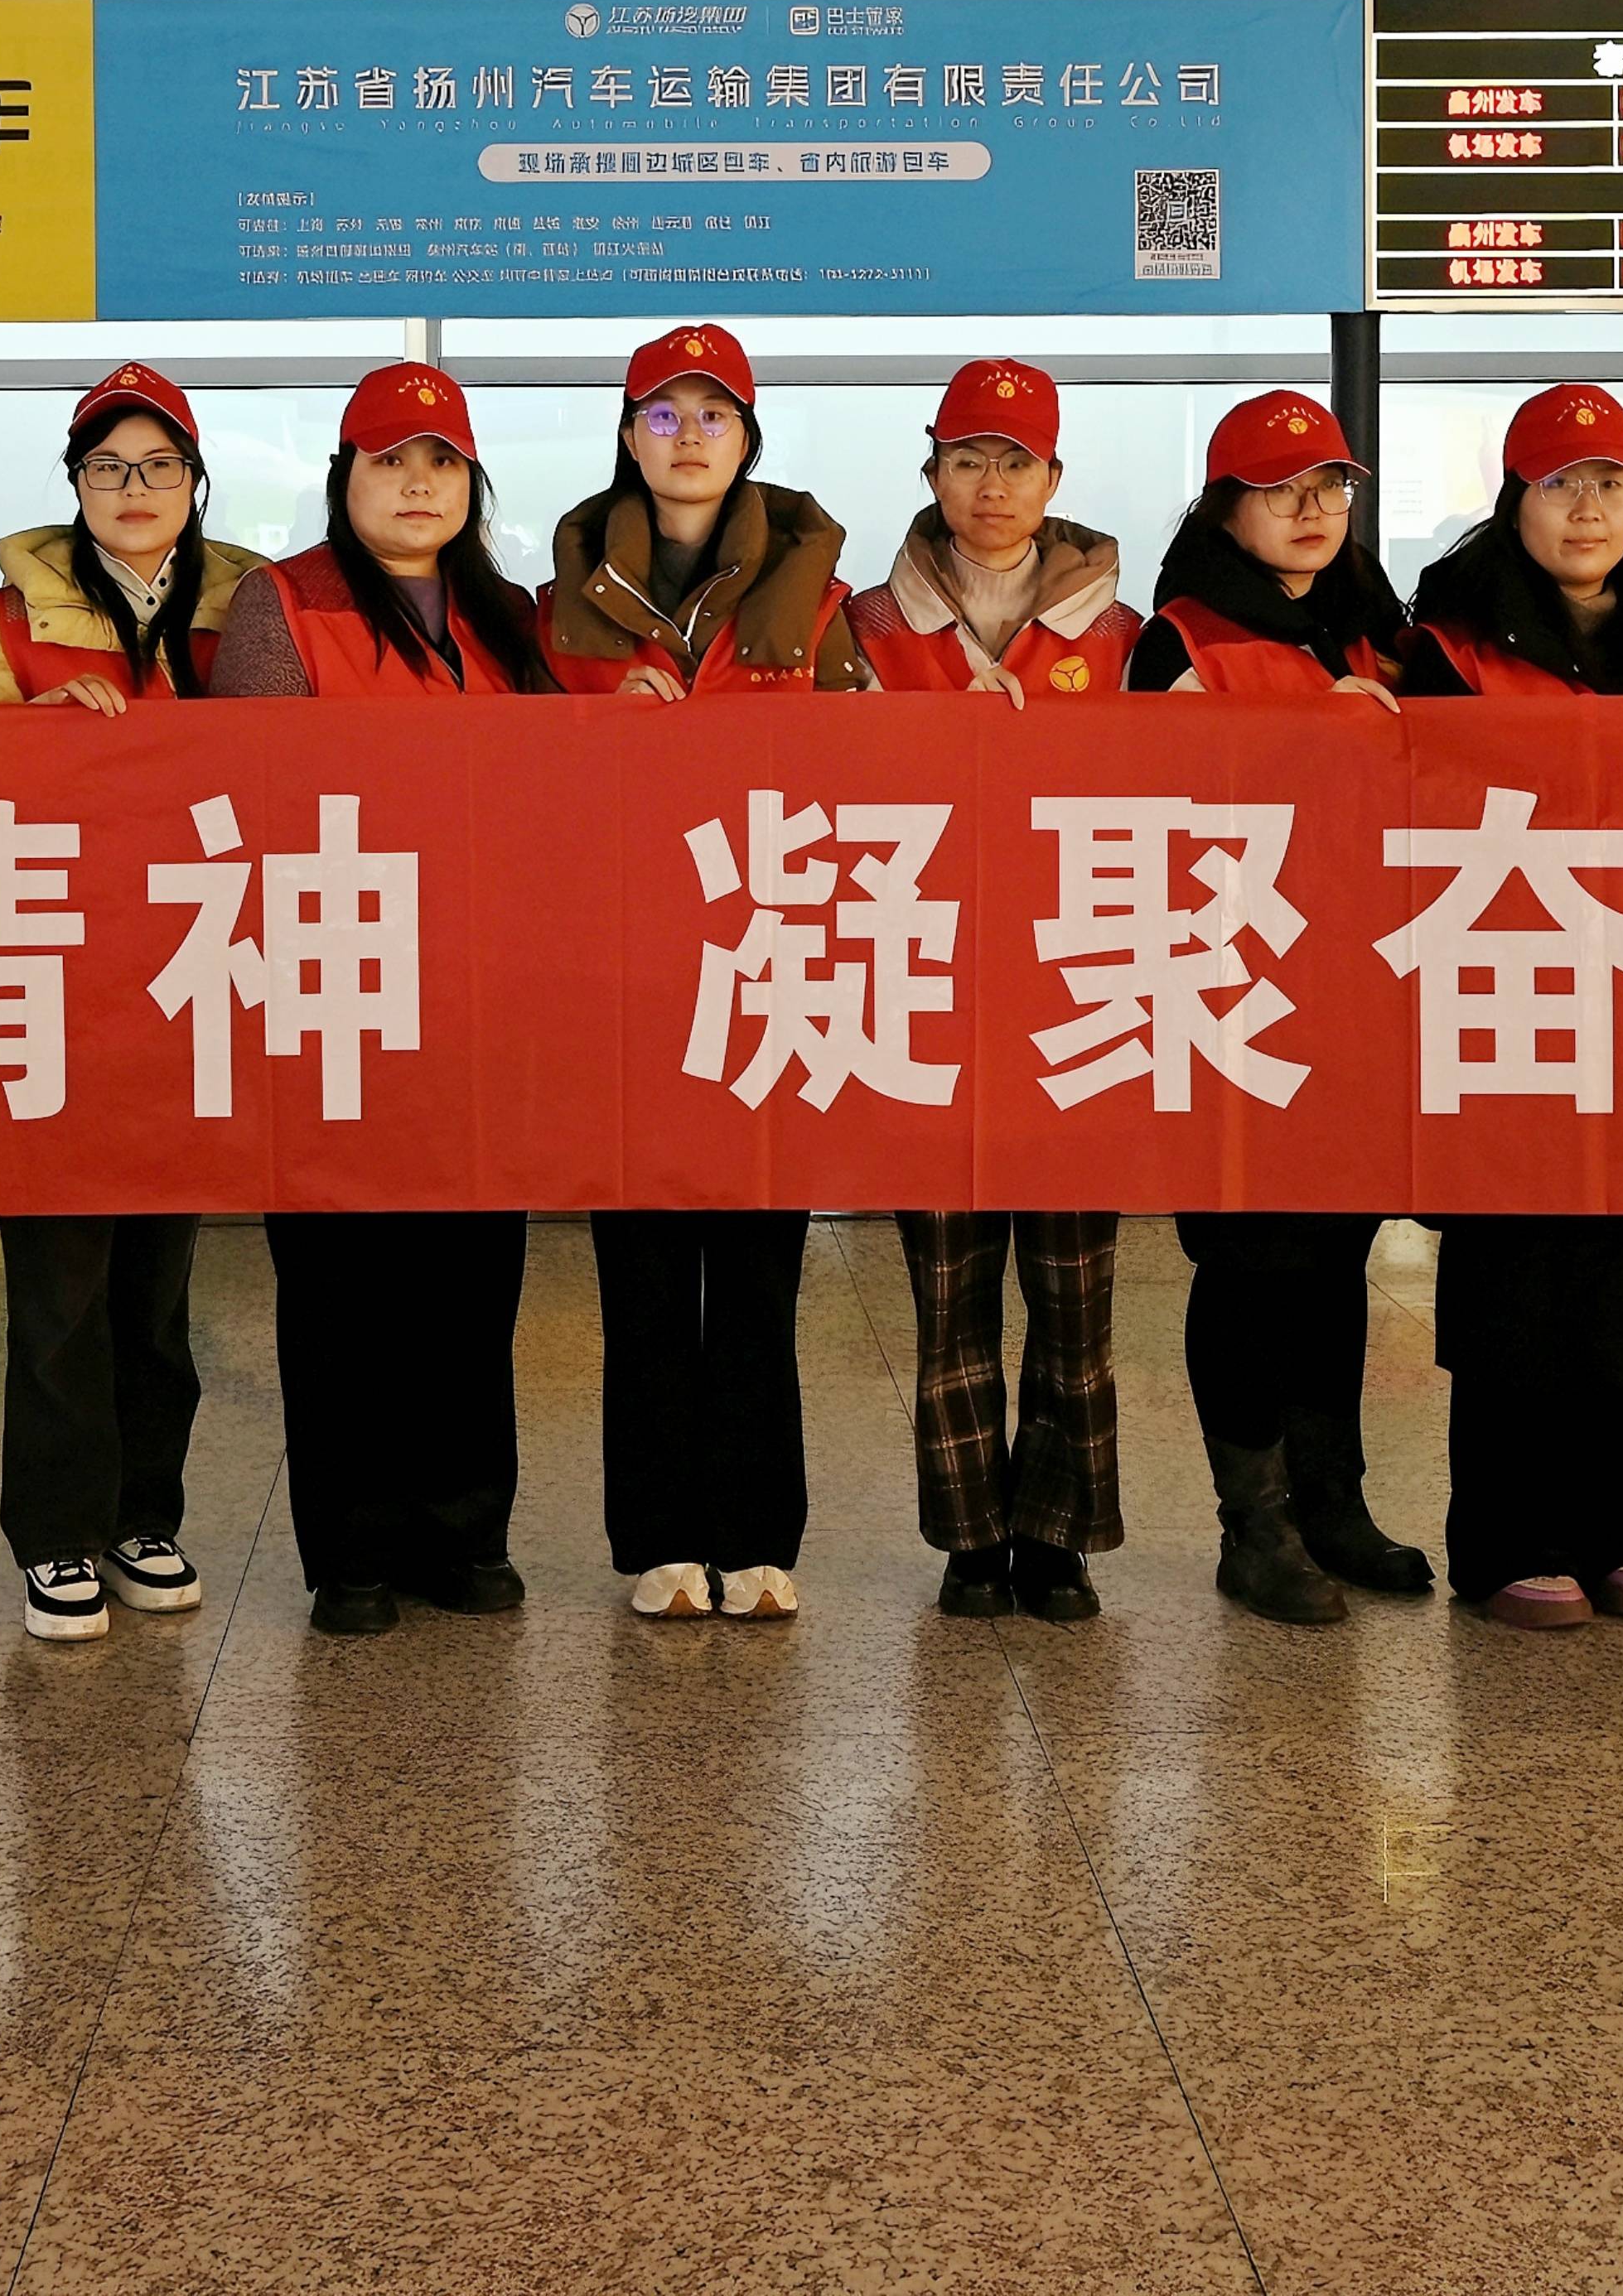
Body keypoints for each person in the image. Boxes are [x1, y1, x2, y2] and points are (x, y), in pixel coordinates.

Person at [210, 363, 558, 1635]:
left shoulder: (510, 617)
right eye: (389, 461)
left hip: (476, 992)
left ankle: (464, 1530)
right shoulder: (282, 603)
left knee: (470, 1277)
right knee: (343, 1284)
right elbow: (252, 793)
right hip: (333, 987)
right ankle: (352, 1549)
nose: (417, 484)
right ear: (343, 478)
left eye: (441, 463)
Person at [1397, 385, 1623, 1634]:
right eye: (1559, 484)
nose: (1588, 508)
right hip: (1509, 995)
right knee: (1524, 1279)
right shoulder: (1447, 648)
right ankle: (1511, 1538)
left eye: (1611, 483)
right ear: (1515, 502)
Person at [543, 323, 868, 1623]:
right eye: (664, 416)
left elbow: (873, 779)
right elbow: (508, 791)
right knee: (639, 1273)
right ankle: (657, 1538)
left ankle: (758, 1530)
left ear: (749, 438)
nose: (688, 438)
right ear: (629, 438)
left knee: (753, 1269)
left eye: (713, 415)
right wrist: (595, 735)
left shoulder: (822, 603)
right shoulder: (557, 610)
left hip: (764, 968)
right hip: (617, 979)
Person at [0, 359, 258, 1641]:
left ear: (194, 483)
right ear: (75, 485)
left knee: (158, 1286)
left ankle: (144, 1515)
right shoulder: (15, 621)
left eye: (159, 466)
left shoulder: (250, 612)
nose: (135, 488)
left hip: (190, 979)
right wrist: (31, 733)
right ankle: (58, 1533)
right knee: (59, 1280)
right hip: (56, 985)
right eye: (109, 467)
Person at [853, 359, 1135, 1622]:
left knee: (1075, 1291)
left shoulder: (1126, 638)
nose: (992, 484)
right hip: (929, 989)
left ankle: (1058, 1534)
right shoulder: (864, 628)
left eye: (1017, 461)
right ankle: (972, 1537)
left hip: (1083, 992)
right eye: (967, 458)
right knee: (948, 1287)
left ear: (1055, 479)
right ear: (931, 473)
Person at [1128, 388, 1409, 1627]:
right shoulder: (1176, 639)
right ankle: (1253, 1522)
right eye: (1278, 490)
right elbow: (1156, 810)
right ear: (1222, 509)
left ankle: (1332, 1499)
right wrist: (1309, 730)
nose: (1311, 509)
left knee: (1338, 1252)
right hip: (1231, 990)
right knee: (1252, 1259)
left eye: (1330, 487)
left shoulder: (1379, 630)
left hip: (1362, 985)